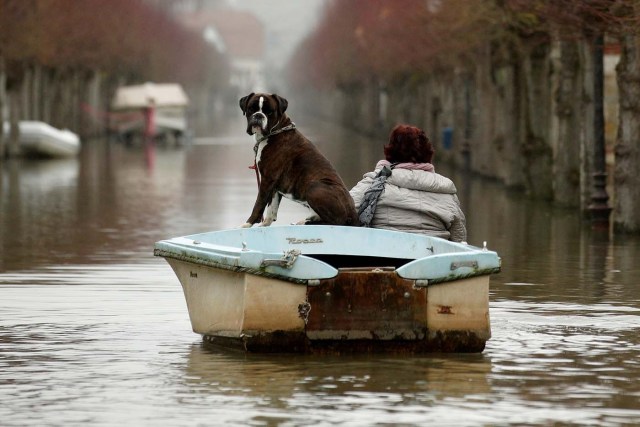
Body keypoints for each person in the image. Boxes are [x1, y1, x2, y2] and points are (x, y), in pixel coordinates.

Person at [350, 124, 467, 242]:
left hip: (381, 257)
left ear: (389, 152)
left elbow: (342, 213)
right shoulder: (447, 194)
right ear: (428, 154)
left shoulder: (371, 184)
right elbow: (459, 239)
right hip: (430, 258)